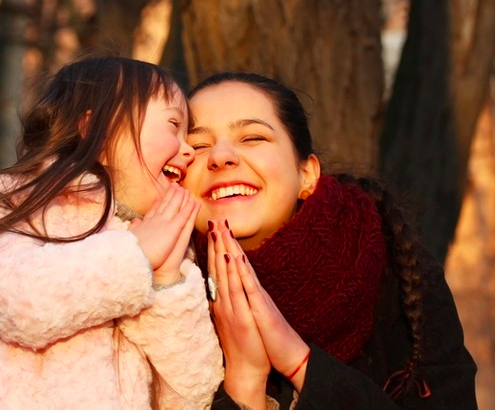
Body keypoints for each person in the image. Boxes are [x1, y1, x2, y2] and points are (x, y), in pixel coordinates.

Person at [0, 56, 223, 409]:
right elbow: (25, 302)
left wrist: (167, 281)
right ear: (97, 128)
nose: (188, 149)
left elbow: (193, 393)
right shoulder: (3, 205)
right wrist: (136, 256)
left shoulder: (163, 245)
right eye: (173, 125)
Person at [181, 72, 478, 409]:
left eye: (252, 138)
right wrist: (245, 380)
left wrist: (298, 362)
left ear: (306, 175)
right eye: (197, 146)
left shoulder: (394, 265)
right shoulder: (161, 295)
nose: (220, 156)